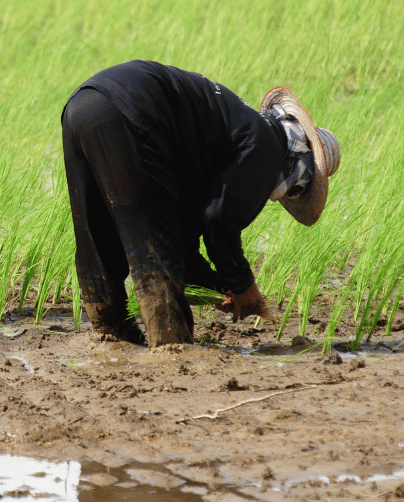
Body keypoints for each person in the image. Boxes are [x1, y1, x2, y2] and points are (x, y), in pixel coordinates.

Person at [61, 60, 341, 347]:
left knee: (96, 235)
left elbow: (182, 237)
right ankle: (171, 348)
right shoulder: (267, 146)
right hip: (132, 109)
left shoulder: (231, 135)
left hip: (80, 105)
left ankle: (111, 337)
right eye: (297, 188)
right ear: (300, 166)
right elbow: (218, 221)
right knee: (152, 250)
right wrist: (244, 286)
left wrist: (219, 287)